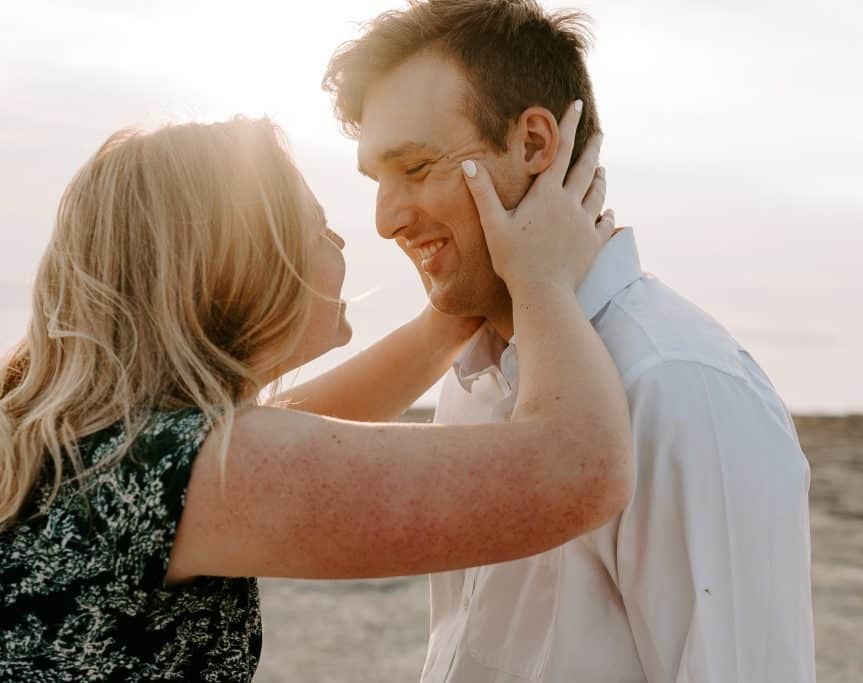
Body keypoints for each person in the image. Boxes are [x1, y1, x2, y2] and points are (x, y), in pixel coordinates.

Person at [0, 106, 632, 681]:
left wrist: (458, 309)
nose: (344, 243)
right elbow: (576, 471)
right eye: (318, 228)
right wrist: (541, 278)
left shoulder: (90, 448)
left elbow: (293, 429)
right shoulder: (178, 469)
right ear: (243, 265)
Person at [322, 1, 817, 681]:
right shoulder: (473, 377)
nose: (386, 220)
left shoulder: (680, 383)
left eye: (415, 166)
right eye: (378, 180)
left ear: (533, 145)